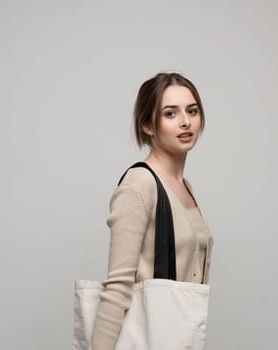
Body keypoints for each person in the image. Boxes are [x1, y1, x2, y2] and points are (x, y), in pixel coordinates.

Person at [90, 72, 214, 350]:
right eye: (170, 113)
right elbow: (119, 285)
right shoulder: (140, 184)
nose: (185, 121)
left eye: (192, 111)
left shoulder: (185, 187)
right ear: (147, 124)